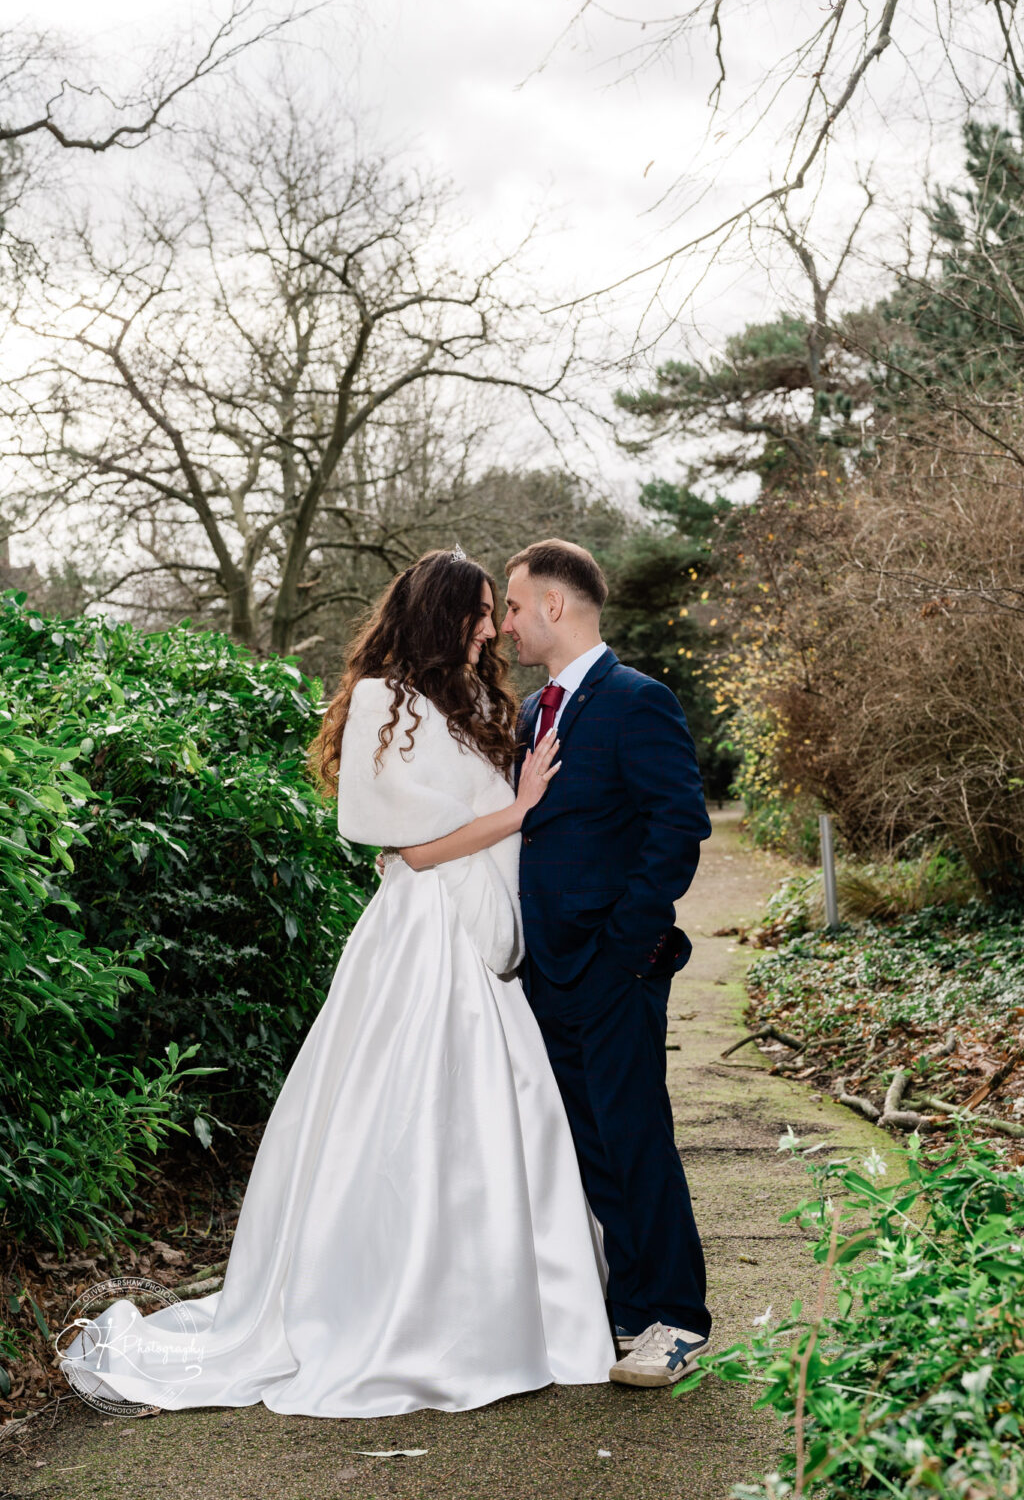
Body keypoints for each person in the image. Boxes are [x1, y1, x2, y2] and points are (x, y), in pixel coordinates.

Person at [61, 548, 614, 1418]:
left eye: (492, 610)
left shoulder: (475, 701)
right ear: (436, 616)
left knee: (502, 1122)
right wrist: (519, 807)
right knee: (402, 1123)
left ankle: (512, 1307)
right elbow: (407, 847)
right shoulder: (379, 703)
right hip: (421, 936)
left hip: (484, 938)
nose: (488, 627)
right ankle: (396, 1319)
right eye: (474, 611)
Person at [502, 538, 714, 1388]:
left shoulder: (636, 701)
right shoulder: (528, 714)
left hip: (614, 968)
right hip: (543, 972)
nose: (507, 623)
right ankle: (629, 1306)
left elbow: (678, 827)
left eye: (514, 606)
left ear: (555, 605)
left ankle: (677, 1318)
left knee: (636, 1139)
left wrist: (624, 951)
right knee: (589, 1144)